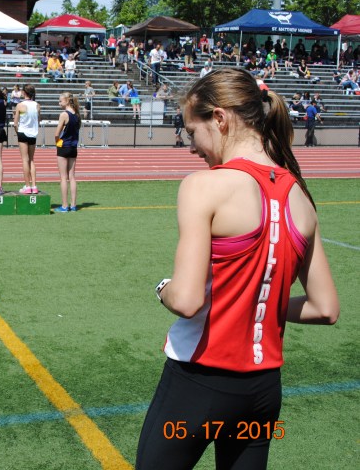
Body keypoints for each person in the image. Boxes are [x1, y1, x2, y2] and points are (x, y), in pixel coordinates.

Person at [135, 68, 339, 470]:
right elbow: (325, 308)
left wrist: (162, 287)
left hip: (199, 385)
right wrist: (258, 303)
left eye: (193, 132)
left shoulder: (205, 185)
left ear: (221, 119)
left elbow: (188, 300)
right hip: (262, 394)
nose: (192, 147)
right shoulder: (299, 193)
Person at [54, 92, 80, 212]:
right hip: (73, 147)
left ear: (66, 101)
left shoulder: (64, 114)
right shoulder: (77, 114)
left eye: (60, 101)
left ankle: (64, 205)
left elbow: (57, 133)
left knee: (63, 177)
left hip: (64, 146)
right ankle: (73, 205)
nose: (59, 103)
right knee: (72, 177)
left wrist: (56, 141)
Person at [13, 84, 40, 194]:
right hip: (33, 134)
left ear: (24, 93)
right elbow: (38, 120)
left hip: (23, 133)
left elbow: (15, 123)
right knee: (32, 160)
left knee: (25, 160)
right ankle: (34, 185)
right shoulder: (37, 105)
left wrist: (18, 133)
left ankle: (27, 186)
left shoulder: (20, 105)